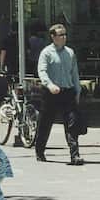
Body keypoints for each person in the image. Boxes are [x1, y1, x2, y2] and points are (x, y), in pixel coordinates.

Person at [34, 23, 84, 165]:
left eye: (65, 34)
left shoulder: (70, 53)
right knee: (45, 122)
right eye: (61, 35)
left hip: (67, 92)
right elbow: (42, 71)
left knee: (72, 123)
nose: (64, 37)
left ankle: (75, 155)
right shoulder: (46, 53)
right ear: (53, 37)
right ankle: (40, 150)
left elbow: (74, 73)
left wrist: (77, 90)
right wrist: (50, 85)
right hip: (51, 92)